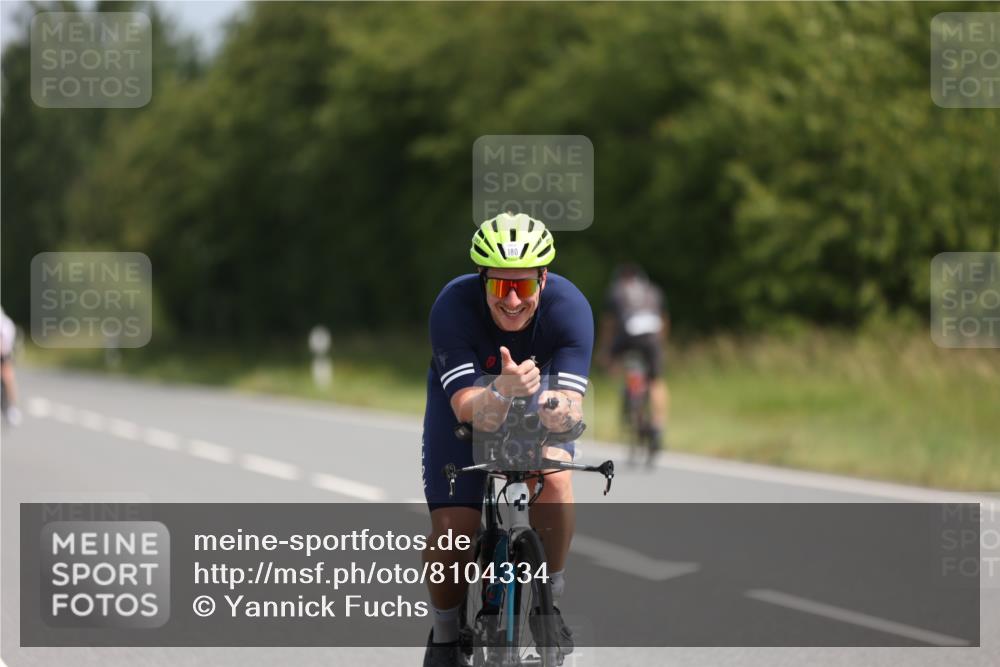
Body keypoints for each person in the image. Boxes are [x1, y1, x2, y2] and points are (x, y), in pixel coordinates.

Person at [421, 213, 593, 666]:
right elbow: (464, 407)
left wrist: (556, 409)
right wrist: (501, 389)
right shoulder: (453, 305)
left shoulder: (569, 307)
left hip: (538, 397)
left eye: (524, 286)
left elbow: (573, 405)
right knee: (454, 531)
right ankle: (443, 636)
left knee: (554, 477)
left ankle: (549, 596)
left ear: (544, 277)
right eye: (501, 287)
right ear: (482, 280)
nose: (513, 300)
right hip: (468, 406)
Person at [597, 263, 670, 462]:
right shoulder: (653, 290)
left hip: (628, 337)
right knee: (656, 380)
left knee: (618, 363)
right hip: (652, 337)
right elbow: (663, 320)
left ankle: (631, 397)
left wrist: (606, 353)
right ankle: (657, 426)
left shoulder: (616, 291)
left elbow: (609, 325)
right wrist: (660, 345)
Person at [1, 306, 22, 426]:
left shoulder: (6, 325)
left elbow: (6, 347)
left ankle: (12, 408)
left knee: (7, 374)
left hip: (4, 352)